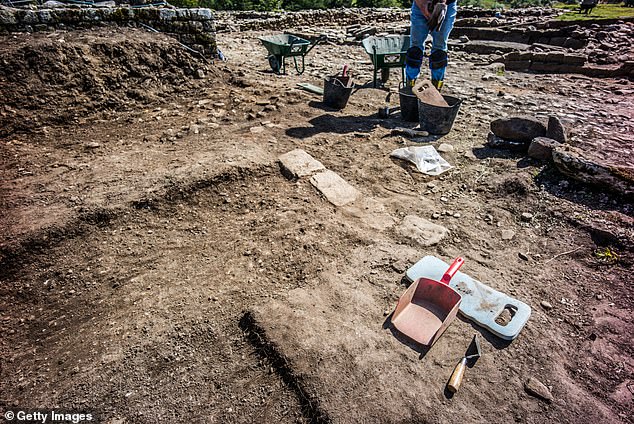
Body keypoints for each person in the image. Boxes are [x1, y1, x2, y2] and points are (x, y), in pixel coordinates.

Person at [405, 0, 458, 91]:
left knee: (439, 50)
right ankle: (410, 86)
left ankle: (436, 88)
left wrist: (442, 3)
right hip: (420, 3)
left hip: (447, 4)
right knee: (415, 50)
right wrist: (421, 4)